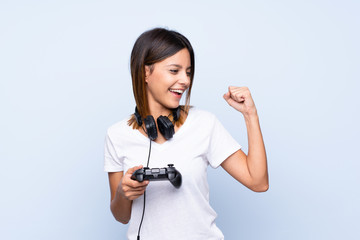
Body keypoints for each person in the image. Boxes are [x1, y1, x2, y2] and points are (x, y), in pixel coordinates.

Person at [104, 27, 268, 240]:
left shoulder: (204, 123)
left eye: (188, 72)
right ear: (146, 72)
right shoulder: (117, 135)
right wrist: (123, 193)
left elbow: (258, 182)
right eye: (174, 71)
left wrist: (250, 115)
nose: (185, 81)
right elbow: (121, 216)